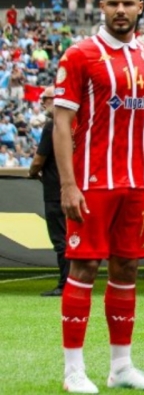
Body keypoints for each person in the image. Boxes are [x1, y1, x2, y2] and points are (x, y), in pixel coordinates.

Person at [54, 0, 144, 393]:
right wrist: (68, 185)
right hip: (92, 183)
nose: (120, 10)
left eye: (127, 3)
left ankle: (121, 367)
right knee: (83, 266)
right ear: (101, 6)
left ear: (140, 7)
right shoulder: (80, 54)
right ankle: (73, 371)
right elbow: (61, 122)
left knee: (127, 267)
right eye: (113, 3)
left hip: (135, 183)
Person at [29, 87, 66, 297]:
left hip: (55, 190)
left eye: (46, 98)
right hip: (78, 188)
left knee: (61, 239)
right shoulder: (77, 123)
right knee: (74, 238)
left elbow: (38, 160)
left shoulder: (52, 125)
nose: (42, 102)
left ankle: (65, 284)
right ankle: (78, 282)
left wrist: (33, 172)